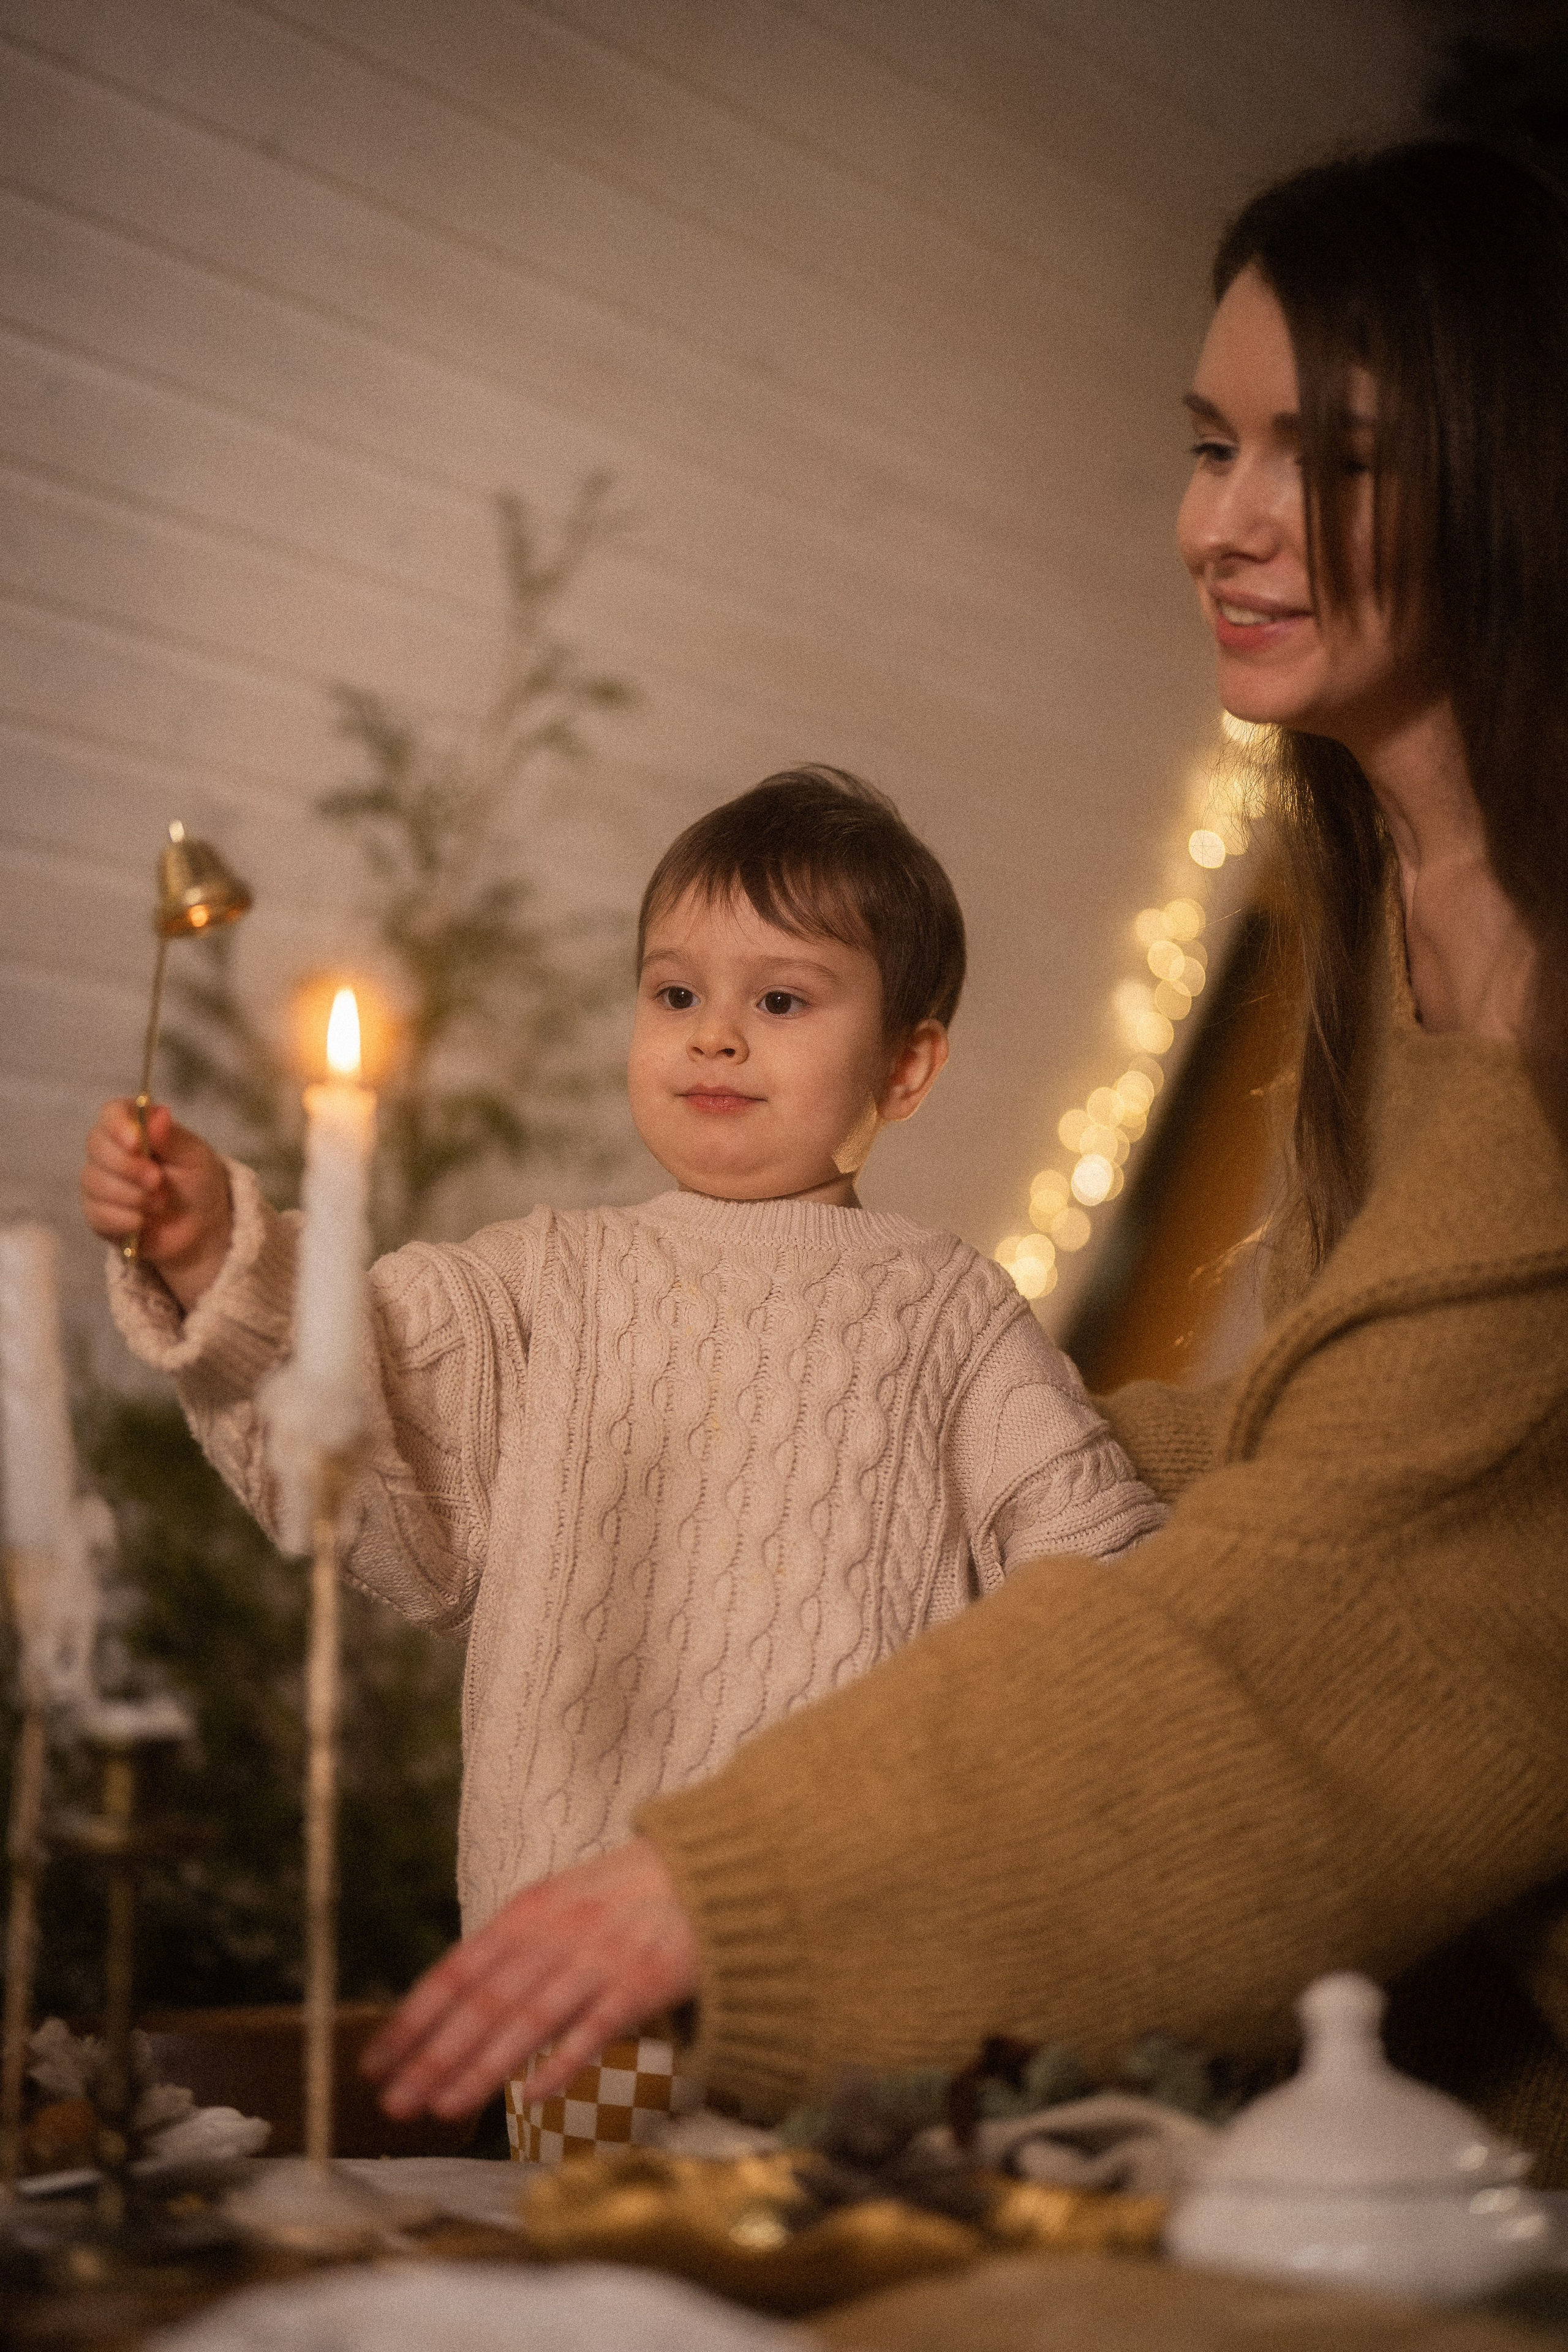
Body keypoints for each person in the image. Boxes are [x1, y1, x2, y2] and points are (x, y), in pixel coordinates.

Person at [356, 141, 1568, 2187]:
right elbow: (1346, 1447)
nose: (1228, 524)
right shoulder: (1373, 898)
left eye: (1325, 457)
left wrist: (722, 1888)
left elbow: (1374, 1597)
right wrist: (897, 1432)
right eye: (1209, 445)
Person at [81, 768, 1164, 1940]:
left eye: (784, 1003)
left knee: (828, 2137)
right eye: (675, 990)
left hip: (857, 1938)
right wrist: (207, 1254)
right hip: (567, 1933)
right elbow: (352, 1368)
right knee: (597, 2136)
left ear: (905, 1066)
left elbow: (1095, 1579)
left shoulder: (952, 1317)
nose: (713, 1035)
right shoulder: (549, 1284)